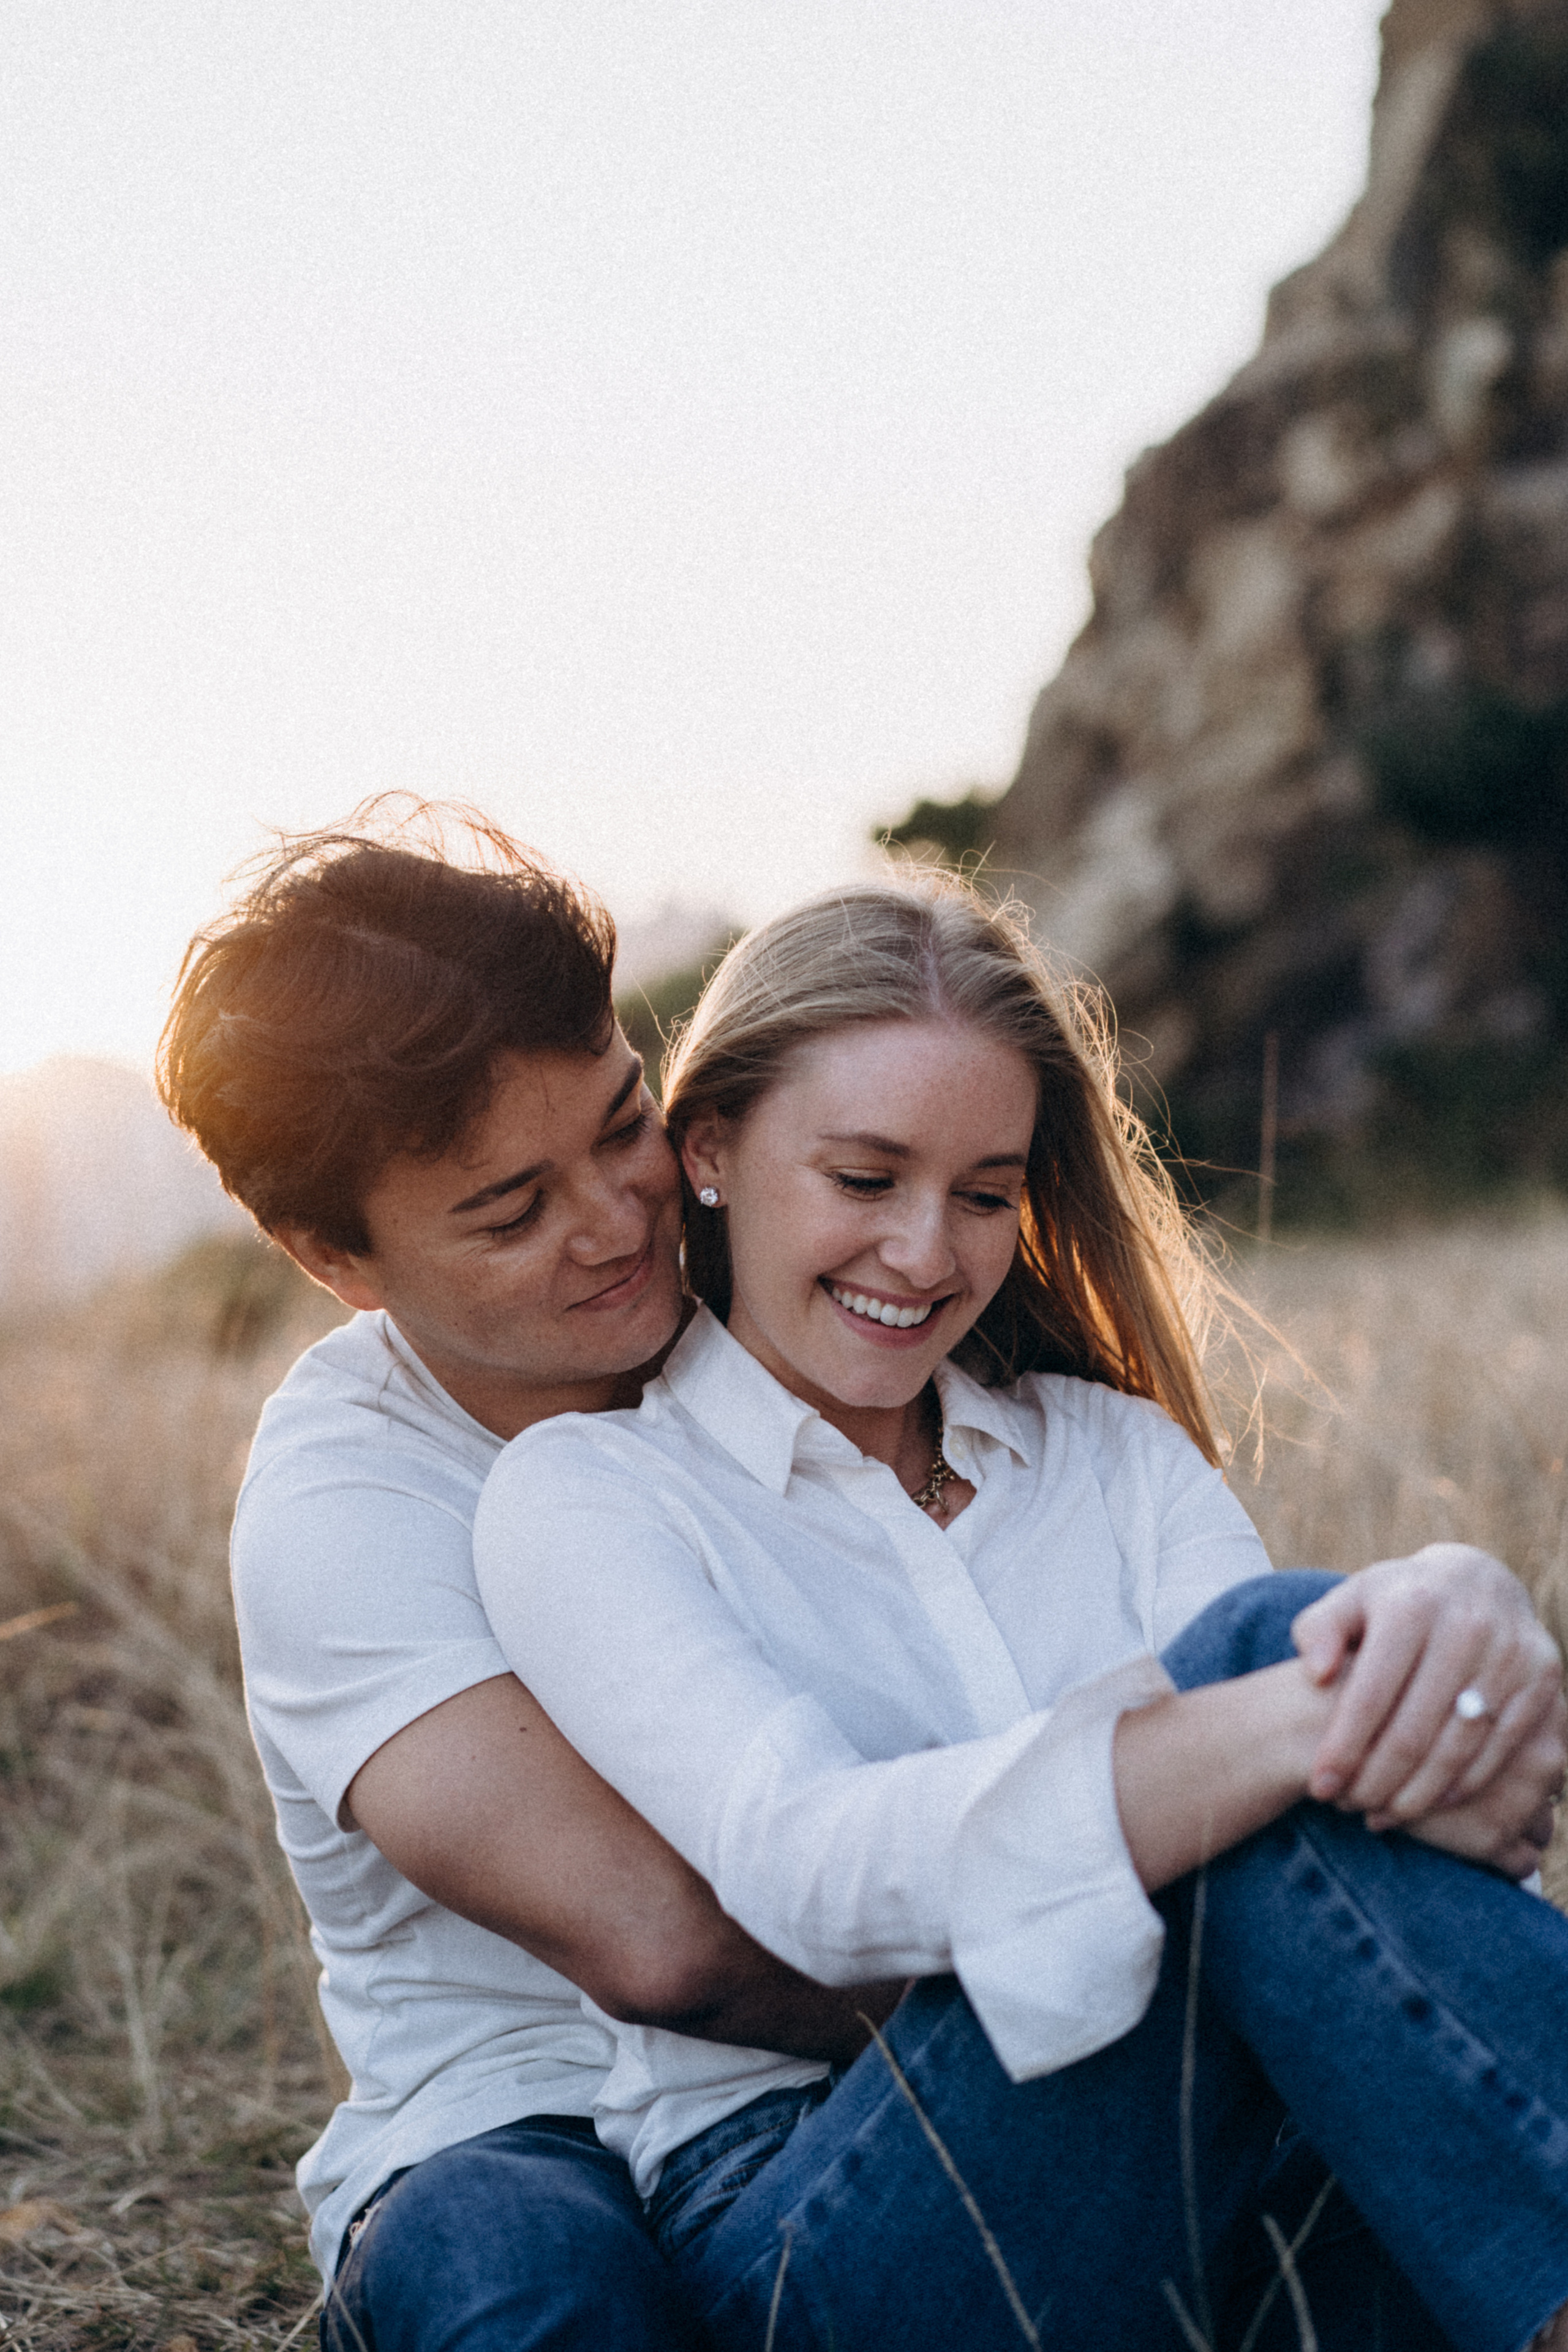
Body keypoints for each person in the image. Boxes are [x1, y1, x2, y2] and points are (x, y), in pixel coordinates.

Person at [470, 876, 1568, 2352]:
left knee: (1258, 1706)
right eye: (864, 1182)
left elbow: (1331, 1850)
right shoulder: (590, 1497)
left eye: (982, 1194)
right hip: (824, 2219)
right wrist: (1322, 1710)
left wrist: (1456, 1607)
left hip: (1224, 2163)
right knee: (1251, 1681)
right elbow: (806, 1869)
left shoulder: (1109, 1452)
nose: (926, 1256)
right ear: (710, 1147)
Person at [157, 804, 906, 2352]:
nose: (618, 1222)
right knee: (538, 2285)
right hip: (513, 2115)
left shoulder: (786, 1293)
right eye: (510, 1211)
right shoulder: (340, 1499)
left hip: (824, 2078)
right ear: (333, 1258)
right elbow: (666, 1944)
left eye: (623, 1126)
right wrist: (1081, 1952)